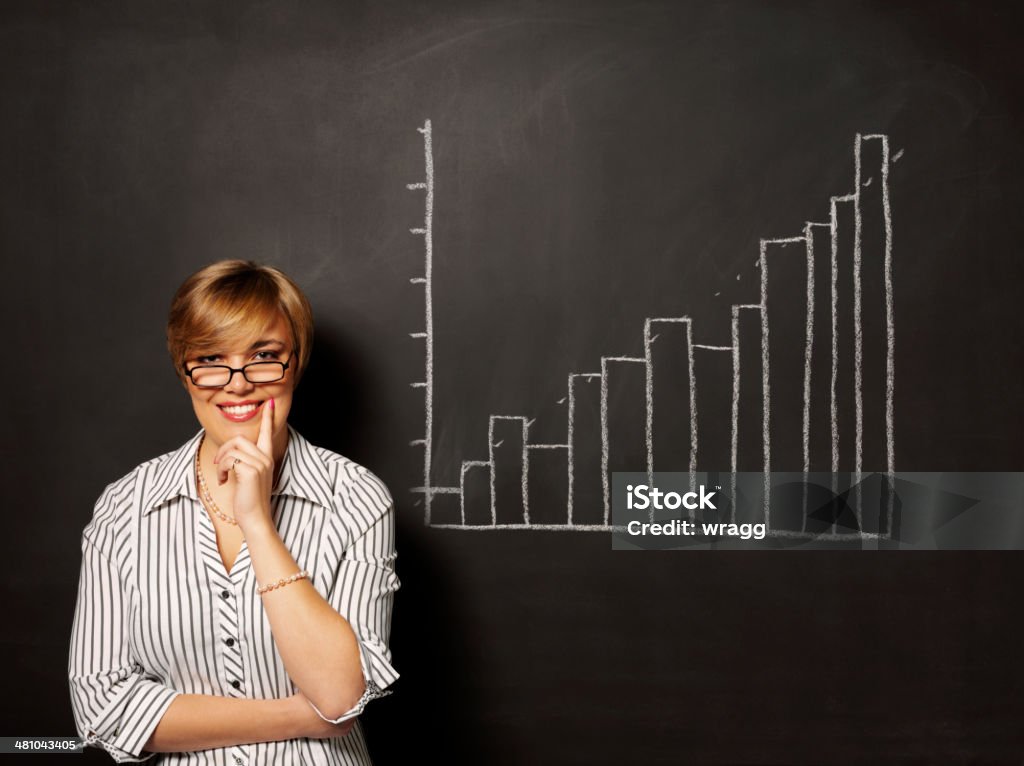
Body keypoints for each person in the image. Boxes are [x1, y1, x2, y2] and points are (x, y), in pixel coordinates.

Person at [69, 260, 399, 764]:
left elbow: (338, 697)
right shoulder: (124, 508)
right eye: (210, 359)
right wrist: (299, 717)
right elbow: (101, 709)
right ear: (185, 372)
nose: (237, 383)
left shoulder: (356, 499)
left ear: (297, 362)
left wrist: (257, 523)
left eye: (265, 356)